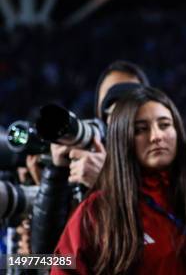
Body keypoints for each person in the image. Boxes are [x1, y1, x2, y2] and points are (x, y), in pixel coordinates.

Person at [52, 86, 186, 274]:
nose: (157, 137)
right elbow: (57, 264)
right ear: (123, 138)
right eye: (141, 129)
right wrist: (53, 177)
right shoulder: (96, 211)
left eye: (164, 125)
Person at [31, 61, 150, 254]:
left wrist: (108, 181)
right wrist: (55, 174)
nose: (120, 110)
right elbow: (45, 258)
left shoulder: (167, 158)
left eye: (129, 98)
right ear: (100, 110)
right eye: (111, 101)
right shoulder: (79, 160)